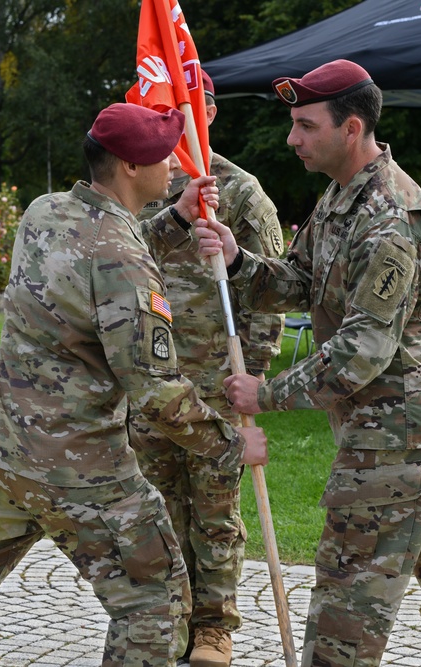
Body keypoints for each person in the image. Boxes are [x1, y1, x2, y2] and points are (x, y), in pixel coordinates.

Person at [0, 103, 266, 667]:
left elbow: (98, 252)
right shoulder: (125, 260)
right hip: (80, 468)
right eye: (163, 153)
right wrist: (233, 443)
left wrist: (176, 222)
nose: (175, 163)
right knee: (153, 601)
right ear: (130, 167)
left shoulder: (44, 213)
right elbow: (156, 393)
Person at [202, 59, 421, 667]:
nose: (291, 139)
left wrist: (267, 393)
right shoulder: (340, 198)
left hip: (400, 427)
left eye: (305, 125)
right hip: (417, 417)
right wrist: (236, 262)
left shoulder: (388, 216)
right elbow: (304, 281)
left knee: (349, 594)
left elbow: (362, 351)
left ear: (351, 128)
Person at [131, 70, 285, 667]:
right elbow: (116, 257)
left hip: (216, 380)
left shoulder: (241, 192)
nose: (171, 117)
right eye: (159, 107)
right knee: (158, 505)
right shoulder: (140, 183)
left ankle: (215, 627)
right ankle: (168, 616)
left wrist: (255, 380)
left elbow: (269, 290)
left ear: (208, 113)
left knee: (215, 509)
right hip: (151, 378)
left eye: (185, 107)